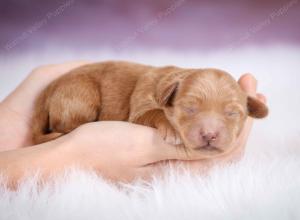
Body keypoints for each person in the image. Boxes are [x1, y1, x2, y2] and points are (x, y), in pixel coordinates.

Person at [0, 61, 266, 188]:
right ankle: (63, 131)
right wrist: (72, 153)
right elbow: (141, 114)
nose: (209, 130)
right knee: (78, 99)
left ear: (248, 110)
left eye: (231, 113)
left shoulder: (176, 89)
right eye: (189, 108)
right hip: (81, 90)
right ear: (169, 97)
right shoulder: (156, 87)